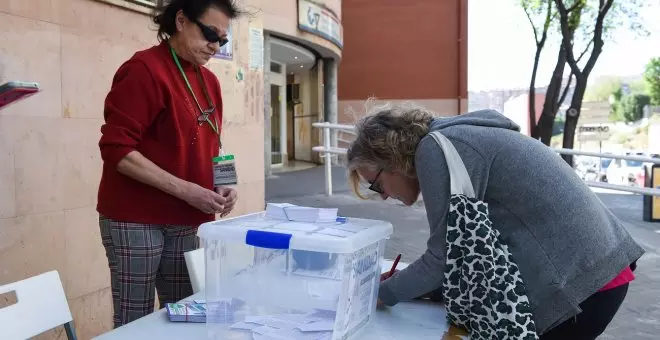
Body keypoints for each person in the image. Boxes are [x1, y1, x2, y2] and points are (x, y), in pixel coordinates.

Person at [346, 101, 645, 339]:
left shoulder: (434, 149)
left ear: (391, 158)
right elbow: (466, 254)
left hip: (581, 288)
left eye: (376, 184)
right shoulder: (461, 137)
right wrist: (418, 286)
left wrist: (379, 295)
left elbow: (444, 257)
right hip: (601, 271)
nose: (382, 196)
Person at [96, 0, 243, 327]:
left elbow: (215, 141)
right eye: (210, 34)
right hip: (135, 218)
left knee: (187, 317)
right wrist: (189, 191)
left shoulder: (211, 82)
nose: (216, 46)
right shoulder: (144, 69)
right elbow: (117, 149)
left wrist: (225, 180)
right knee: (135, 321)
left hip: (188, 218)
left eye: (223, 40)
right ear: (180, 20)